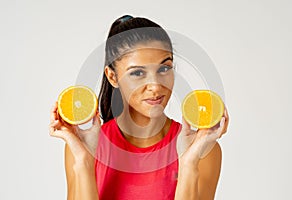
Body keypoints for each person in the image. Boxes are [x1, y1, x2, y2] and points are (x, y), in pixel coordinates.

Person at [49, 15, 229, 200]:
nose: (156, 86)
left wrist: (189, 163)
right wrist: (84, 162)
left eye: (164, 69)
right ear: (113, 77)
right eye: (137, 73)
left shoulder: (202, 149)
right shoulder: (82, 147)